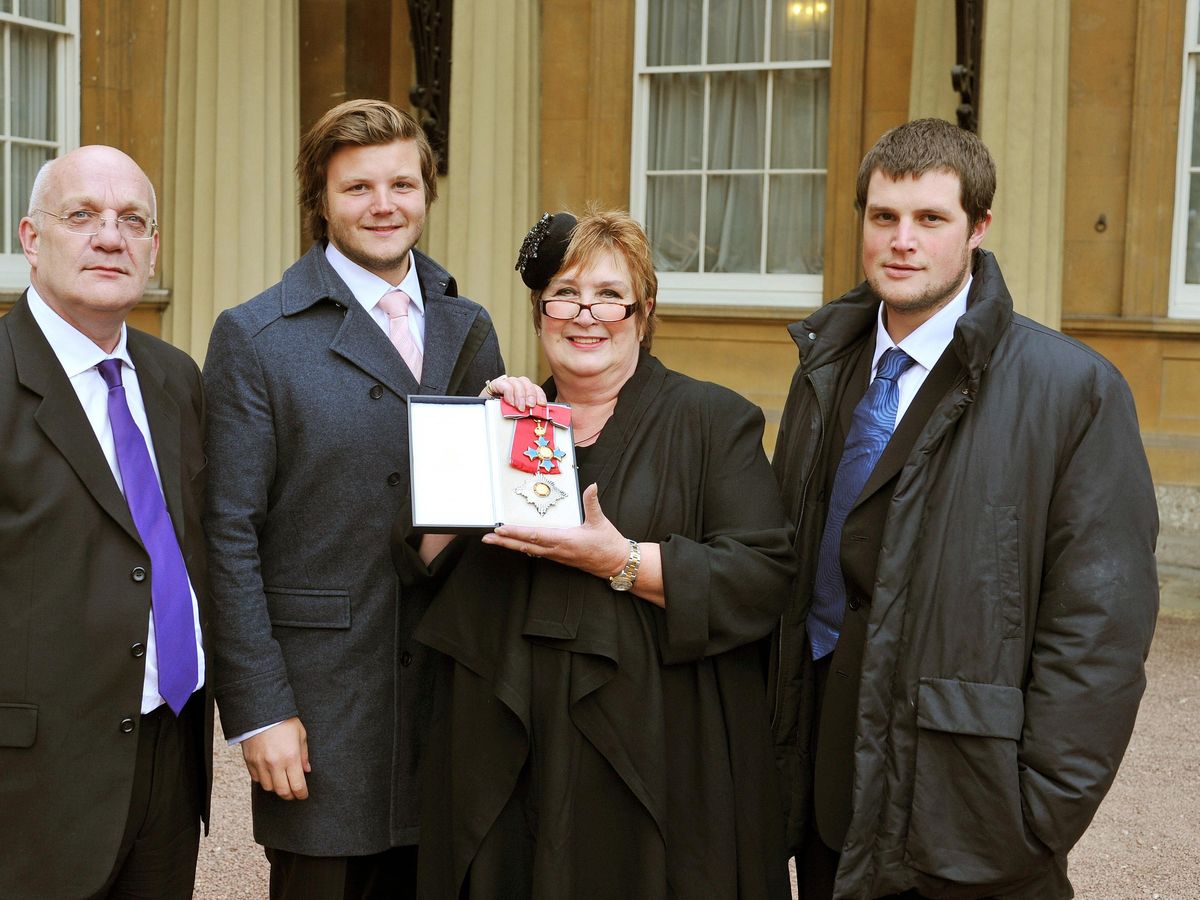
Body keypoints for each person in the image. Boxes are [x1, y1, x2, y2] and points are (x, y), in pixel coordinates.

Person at [769, 117, 1160, 899]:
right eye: (884, 217)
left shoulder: (1072, 391)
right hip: (823, 797)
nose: (901, 241)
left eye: (930, 219)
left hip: (966, 819)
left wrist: (1035, 815)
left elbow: (1100, 630)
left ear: (978, 228)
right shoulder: (822, 367)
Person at [403, 209, 795, 898]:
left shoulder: (712, 421)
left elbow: (760, 578)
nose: (587, 314)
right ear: (540, 313)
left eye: (610, 294)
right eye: (565, 293)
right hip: (511, 766)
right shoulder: (507, 426)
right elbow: (430, 560)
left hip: (655, 759)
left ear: (643, 313)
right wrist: (478, 441)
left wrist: (621, 559)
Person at [202, 99, 505, 898]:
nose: (383, 205)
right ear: (321, 200)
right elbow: (228, 535)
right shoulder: (256, 337)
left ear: (427, 193)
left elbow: (483, 509)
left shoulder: (470, 328)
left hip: (449, 694)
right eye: (357, 187)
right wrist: (261, 711)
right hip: (325, 706)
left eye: (402, 183)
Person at [0, 146, 211, 899]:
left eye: (132, 221)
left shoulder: (175, 378)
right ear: (31, 236)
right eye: (82, 216)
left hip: (167, 750)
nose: (110, 237)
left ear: (153, 246)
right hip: (32, 779)